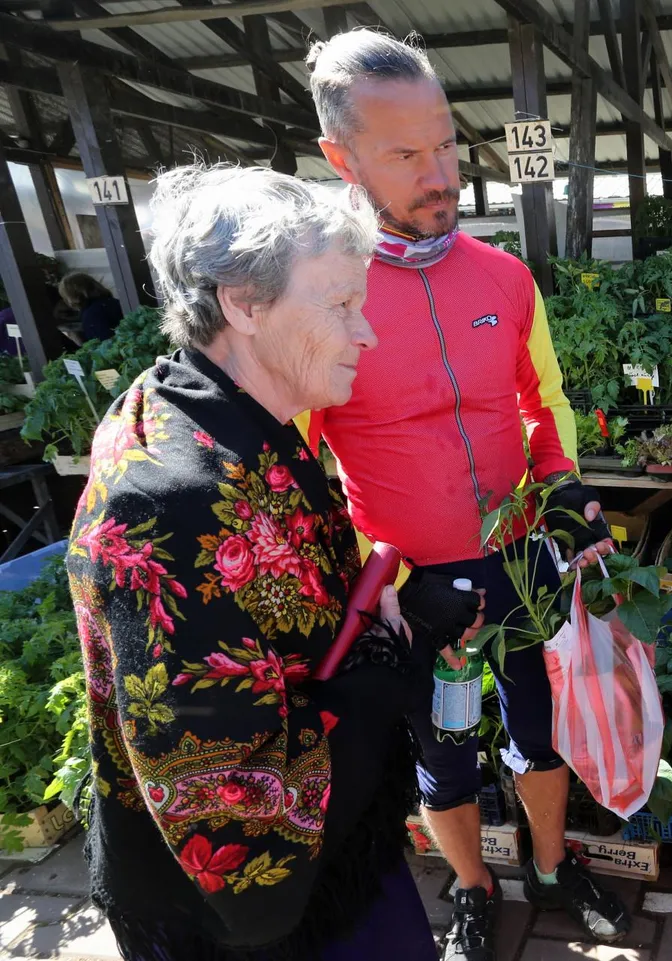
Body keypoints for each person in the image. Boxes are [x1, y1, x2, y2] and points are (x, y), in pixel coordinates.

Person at [66, 163, 467, 961]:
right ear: (243, 303)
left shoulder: (198, 400)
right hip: (255, 922)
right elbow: (229, 812)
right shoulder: (165, 496)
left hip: (334, 857)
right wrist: (380, 678)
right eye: (342, 304)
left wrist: (386, 625)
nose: (368, 333)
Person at [301, 29, 625, 961]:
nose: (438, 171)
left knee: (538, 726)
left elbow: (540, 400)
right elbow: (297, 467)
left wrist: (562, 487)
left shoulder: (505, 276)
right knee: (441, 749)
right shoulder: (326, 298)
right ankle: (475, 891)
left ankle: (553, 868)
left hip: (519, 557)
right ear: (341, 157)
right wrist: (376, 579)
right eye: (405, 153)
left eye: (444, 142)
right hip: (408, 585)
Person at [58, 271, 124, 342]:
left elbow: (104, 346)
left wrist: (80, 341)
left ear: (71, 297)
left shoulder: (92, 313)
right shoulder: (113, 302)